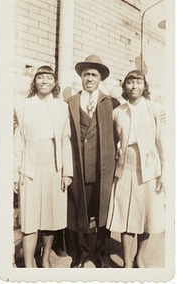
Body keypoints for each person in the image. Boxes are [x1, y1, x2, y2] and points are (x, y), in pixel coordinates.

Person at [13, 65, 73, 268]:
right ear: (35, 82)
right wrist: (14, 173)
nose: (44, 81)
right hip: (29, 167)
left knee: (50, 215)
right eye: (40, 78)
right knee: (30, 216)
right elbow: (18, 139)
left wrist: (67, 173)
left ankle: (45, 258)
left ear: (54, 83)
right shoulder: (23, 106)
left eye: (48, 78)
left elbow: (65, 140)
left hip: (54, 167)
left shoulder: (61, 107)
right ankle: (29, 262)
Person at [106, 70, 165, 268]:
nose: (134, 86)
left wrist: (163, 172)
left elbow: (162, 141)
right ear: (125, 87)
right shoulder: (118, 112)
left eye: (138, 82)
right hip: (125, 169)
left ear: (144, 86)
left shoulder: (154, 109)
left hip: (148, 170)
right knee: (126, 214)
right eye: (130, 82)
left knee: (147, 215)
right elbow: (114, 140)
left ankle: (140, 256)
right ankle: (128, 261)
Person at [66, 55, 120, 268]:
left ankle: (100, 252)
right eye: (86, 74)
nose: (89, 78)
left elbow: (121, 132)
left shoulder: (112, 104)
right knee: (80, 208)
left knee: (102, 209)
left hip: (102, 168)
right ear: (81, 77)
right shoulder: (70, 103)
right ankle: (81, 252)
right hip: (79, 167)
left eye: (93, 75)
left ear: (100, 79)